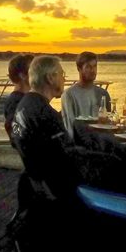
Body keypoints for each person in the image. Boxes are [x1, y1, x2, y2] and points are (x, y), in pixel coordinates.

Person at [11, 55, 76, 197]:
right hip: (55, 188)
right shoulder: (45, 114)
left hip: (35, 181)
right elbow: (69, 157)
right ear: (50, 78)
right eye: (61, 74)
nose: (64, 79)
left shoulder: (24, 104)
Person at [60, 51, 112, 140]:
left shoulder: (103, 94)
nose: (93, 70)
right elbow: (70, 127)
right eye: (88, 67)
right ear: (79, 69)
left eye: (95, 66)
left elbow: (109, 124)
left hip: (101, 141)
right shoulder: (69, 95)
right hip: (80, 143)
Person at [3, 54, 33, 146]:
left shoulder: (26, 99)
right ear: (23, 75)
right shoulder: (16, 102)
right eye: (35, 70)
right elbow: (16, 134)